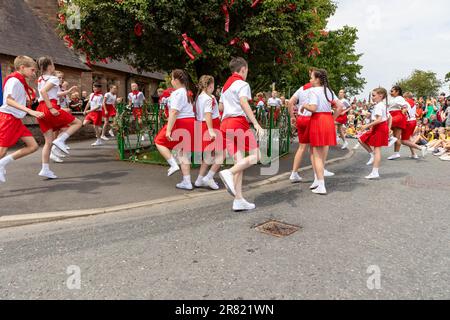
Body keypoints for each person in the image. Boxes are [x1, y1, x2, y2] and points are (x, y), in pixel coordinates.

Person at [218, 57, 264, 211]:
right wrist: (256, 124)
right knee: (256, 156)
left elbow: (221, 107)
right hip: (238, 122)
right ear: (243, 69)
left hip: (225, 125)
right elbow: (244, 103)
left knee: (240, 162)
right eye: (247, 71)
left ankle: (238, 200)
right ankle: (228, 173)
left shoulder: (225, 87)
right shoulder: (243, 84)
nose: (247, 74)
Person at [36, 56, 82, 178]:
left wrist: (67, 92)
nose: (54, 65)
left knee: (48, 142)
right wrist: (51, 107)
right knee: (78, 123)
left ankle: (45, 168)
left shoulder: (41, 78)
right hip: (50, 107)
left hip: (41, 109)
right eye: (53, 63)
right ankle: (60, 140)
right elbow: (44, 92)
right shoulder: (54, 78)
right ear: (50, 66)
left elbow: (53, 93)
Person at [0, 56, 43, 183]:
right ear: (22, 68)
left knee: (33, 146)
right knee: (1, 151)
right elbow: (8, 100)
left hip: (15, 119)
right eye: (32, 70)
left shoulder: (20, 81)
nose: (34, 73)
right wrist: (29, 110)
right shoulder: (14, 80)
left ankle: (2, 163)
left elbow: (14, 99)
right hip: (8, 118)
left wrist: (27, 100)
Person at [301, 69, 344, 195]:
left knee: (316, 155)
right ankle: (317, 181)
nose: (310, 80)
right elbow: (340, 106)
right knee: (319, 153)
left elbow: (313, 108)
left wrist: (304, 106)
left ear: (318, 79)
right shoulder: (329, 91)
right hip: (327, 120)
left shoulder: (313, 90)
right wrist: (333, 119)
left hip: (318, 120)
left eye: (312, 78)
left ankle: (321, 184)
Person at [154, 69, 196, 190]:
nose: (171, 81)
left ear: (176, 80)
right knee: (183, 154)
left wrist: (169, 130)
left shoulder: (178, 93)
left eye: (172, 79)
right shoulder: (186, 92)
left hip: (181, 122)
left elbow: (174, 112)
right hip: (190, 123)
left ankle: (173, 164)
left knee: (159, 141)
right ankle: (187, 181)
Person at [193, 75, 224, 190]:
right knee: (220, 154)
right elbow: (208, 114)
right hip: (210, 126)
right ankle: (208, 177)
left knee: (209, 155)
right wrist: (211, 130)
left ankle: (199, 180)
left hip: (203, 126)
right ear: (210, 85)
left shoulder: (200, 97)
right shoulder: (208, 98)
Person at [358, 88, 389, 179]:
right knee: (361, 139)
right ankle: (371, 156)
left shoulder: (380, 105)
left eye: (374, 95)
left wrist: (366, 126)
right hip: (378, 127)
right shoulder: (380, 105)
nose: (372, 97)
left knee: (377, 150)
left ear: (381, 96)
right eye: (372, 95)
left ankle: (375, 172)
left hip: (380, 127)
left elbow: (379, 120)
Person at [387, 86, 409, 160]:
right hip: (393, 115)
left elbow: (405, 106)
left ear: (397, 92)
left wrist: (404, 110)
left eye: (392, 91)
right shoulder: (393, 98)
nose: (391, 92)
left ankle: (391, 138)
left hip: (397, 116)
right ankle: (396, 153)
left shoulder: (399, 98)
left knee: (384, 126)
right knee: (397, 137)